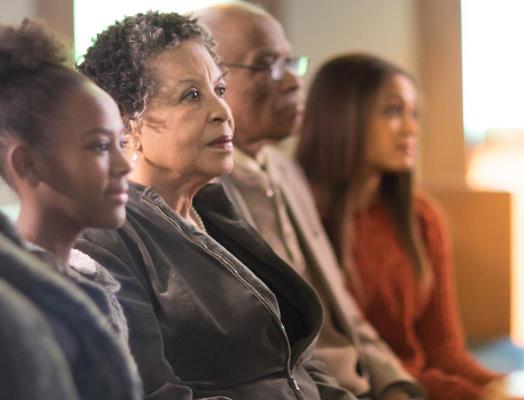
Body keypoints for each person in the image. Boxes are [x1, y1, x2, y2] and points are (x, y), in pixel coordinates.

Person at [75, 11, 356, 400]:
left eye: (219, 90)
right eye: (191, 95)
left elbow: (293, 357)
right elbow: (153, 392)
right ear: (127, 126)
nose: (222, 111)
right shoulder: (103, 241)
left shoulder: (214, 208)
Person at [193, 3, 423, 400]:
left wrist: (398, 385)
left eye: (290, 63)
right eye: (267, 65)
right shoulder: (200, 192)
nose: (295, 84)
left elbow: (346, 314)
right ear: (211, 79)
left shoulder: (287, 172)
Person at [296, 53, 501, 400]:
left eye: (414, 114)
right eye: (393, 112)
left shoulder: (421, 217)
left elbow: (444, 351)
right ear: (343, 117)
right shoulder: (302, 216)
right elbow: (340, 360)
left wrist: (499, 387)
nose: (411, 129)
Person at [0, 19, 141, 399]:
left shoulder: (89, 281)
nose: (125, 166)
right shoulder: (16, 312)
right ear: (28, 164)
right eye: (99, 147)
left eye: (121, 143)